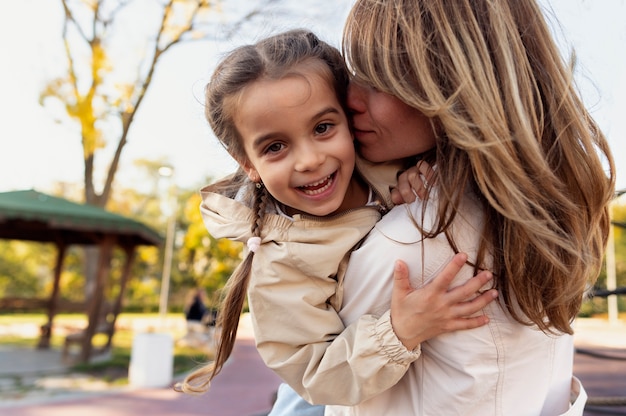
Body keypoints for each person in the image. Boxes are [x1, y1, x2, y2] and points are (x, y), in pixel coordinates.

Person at [301, 0, 613, 414]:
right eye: (352, 77)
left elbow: (322, 385)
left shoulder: (412, 242)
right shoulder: (544, 213)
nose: (350, 101)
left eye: (380, 82)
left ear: (452, 87)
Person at [177, 29, 497, 405]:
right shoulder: (281, 263)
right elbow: (314, 375)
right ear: (248, 163)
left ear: (348, 117)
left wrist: (423, 171)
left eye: (323, 128)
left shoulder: (385, 163)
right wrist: (400, 331)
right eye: (275, 147)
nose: (310, 159)